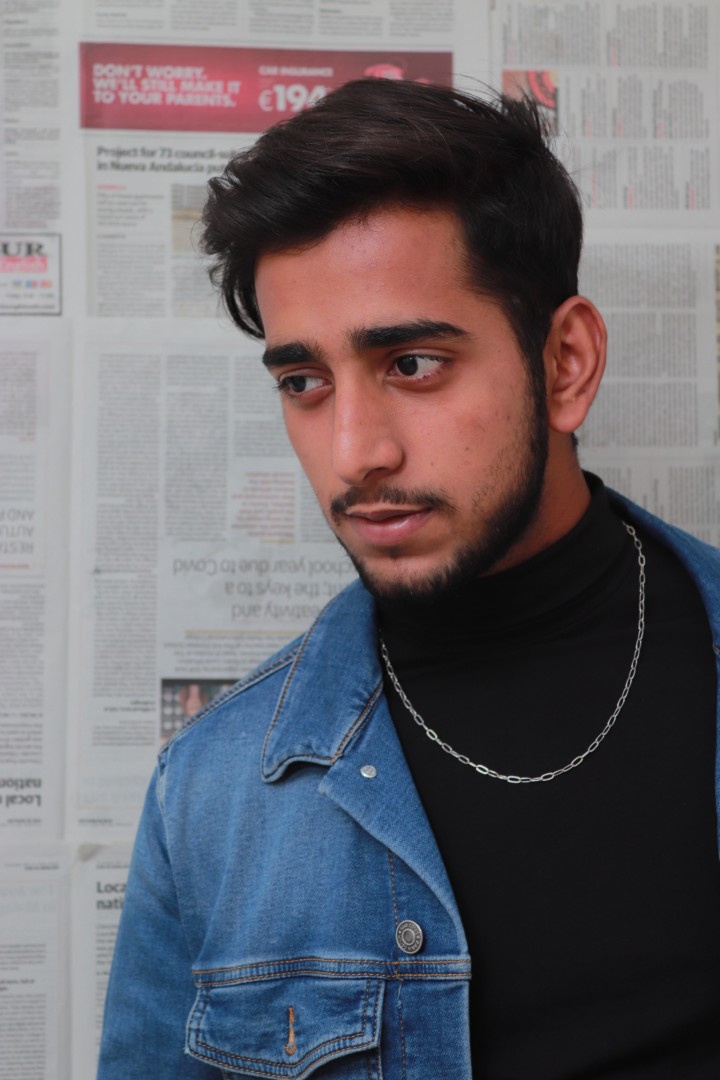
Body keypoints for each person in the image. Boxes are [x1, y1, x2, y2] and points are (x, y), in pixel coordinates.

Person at [97, 79, 720, 1079]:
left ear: (565, 364)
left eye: (413, 364)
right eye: (304, 382)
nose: (355, 453)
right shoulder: (209, 793)